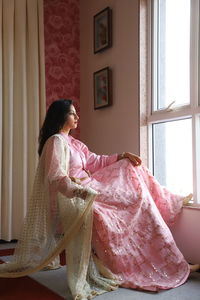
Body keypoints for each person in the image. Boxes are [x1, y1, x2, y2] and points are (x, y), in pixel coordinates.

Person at [0, 99, 199, 299]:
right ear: (60, 116)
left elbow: (95, 161)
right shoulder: (56, 141)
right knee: (129, 204)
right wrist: (78, 191)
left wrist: (121, 156)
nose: (77, 117)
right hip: (77, 192)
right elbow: (55, 176)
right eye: (72, 113)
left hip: (91, 185)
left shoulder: (74, 142)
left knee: (133, 178)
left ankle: (172, 259)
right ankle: (147, 265)